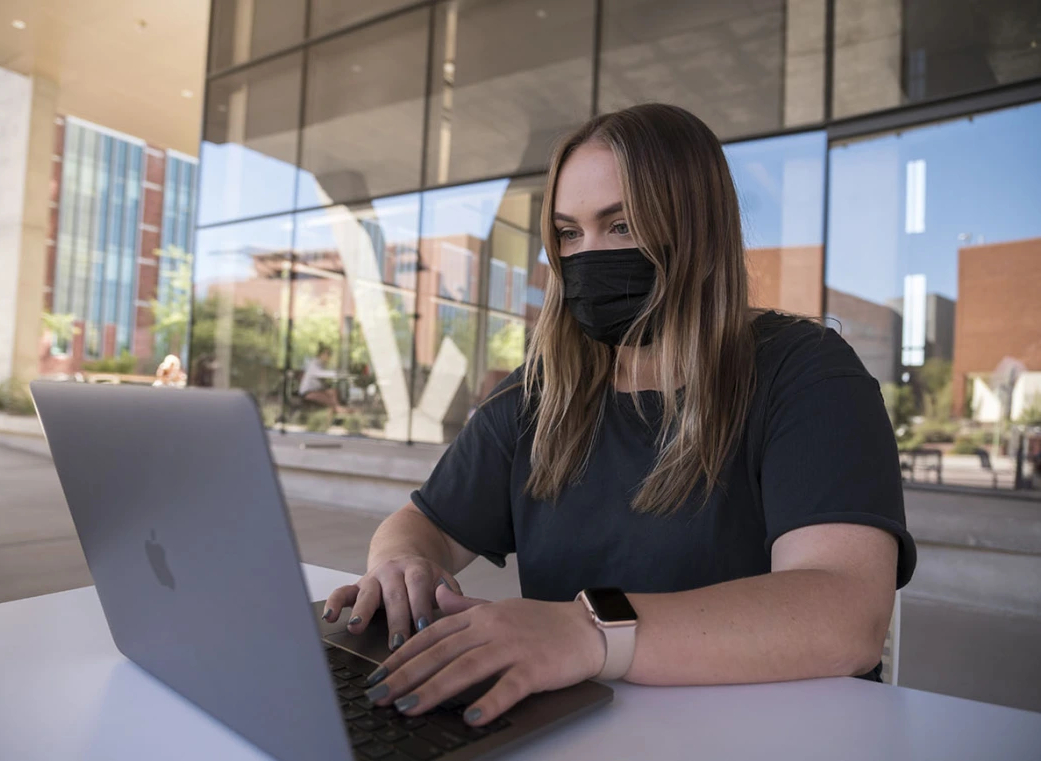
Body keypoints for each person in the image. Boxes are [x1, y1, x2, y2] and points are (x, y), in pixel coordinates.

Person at [323, 103, 915, 729]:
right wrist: (402, 563)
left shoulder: (808, 372)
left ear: (696, 230)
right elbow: (425, 524)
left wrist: (588, 632)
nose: (588, 256)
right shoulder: (546, 390)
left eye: (622, 225)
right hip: (580, 730)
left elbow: (844, 614)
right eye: (569, 234)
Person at [299, 344, 340, 412]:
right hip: (308, 393)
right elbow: (320, 374)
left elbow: (322, 383)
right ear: (320, 354)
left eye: (329, 354)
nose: (328, 356)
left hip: (317, 391)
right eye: (326, 354)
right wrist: (337, 373)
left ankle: (337, 409)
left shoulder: (322, 365)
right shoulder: (314, 363)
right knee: (330, 401)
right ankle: (337, 410)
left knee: (334, 392)